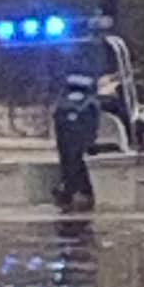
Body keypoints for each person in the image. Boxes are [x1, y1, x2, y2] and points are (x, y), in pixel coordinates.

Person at [52, 75, 98, 211]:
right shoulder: (91, 103)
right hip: (84, 145)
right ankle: (83, 193)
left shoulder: (62, 104)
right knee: (81, 167)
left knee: (68, 167)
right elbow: (94, 126)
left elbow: (57, 125)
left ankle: (68, 191)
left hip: (65, 144)